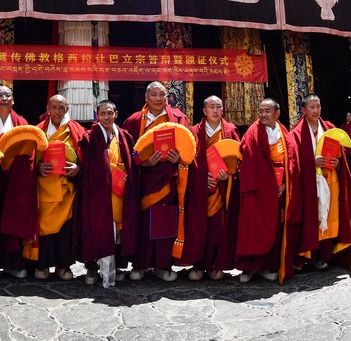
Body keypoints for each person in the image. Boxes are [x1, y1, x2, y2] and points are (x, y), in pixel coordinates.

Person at [122, 81, 189, 282]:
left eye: (162, 95)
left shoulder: (178, 119)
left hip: (168, 179)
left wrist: (179, 159)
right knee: (141, 222)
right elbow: (127, 153)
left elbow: (189, 149)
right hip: (144, 181)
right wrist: (142, 163)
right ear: (146, 97)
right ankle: (140, 264)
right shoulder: (134, 121)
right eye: (154, 95)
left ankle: (162, 264)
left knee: (165, 222)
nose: (158, 99)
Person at [235, 98, 300, 284]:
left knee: (274, 228)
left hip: (278, 189)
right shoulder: (252, 133)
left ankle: (266, 267)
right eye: (261, 110)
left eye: (267, 111)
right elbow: (245, 158)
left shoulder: (284, 133)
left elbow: (292, 162)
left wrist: (286, 184)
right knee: (252, 228)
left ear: (277, 114)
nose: (263, 114)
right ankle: (248, 269)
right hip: (258, 189)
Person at [288, 95, 351, 272]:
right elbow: (293, 163)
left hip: (330, 180)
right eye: (312, 107)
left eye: (318, 106)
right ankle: (307, 255)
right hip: (309, 184)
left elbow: (341, 158)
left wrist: (338, 164)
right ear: (303, 110)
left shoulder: (330, 129)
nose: (316, 111)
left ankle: (323, 255)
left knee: (327, 217)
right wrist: (311, 161)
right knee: (311, 218)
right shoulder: (296, 134)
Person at [77, 100, 135, 286]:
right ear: (97, 116)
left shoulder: (125, 136)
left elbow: (131, 161)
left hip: (119, 191)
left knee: (117, 230)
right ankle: (93, 267)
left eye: (110, 113)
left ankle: (115, 267)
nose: (106, 117)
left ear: (116, 114)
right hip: (98, 192)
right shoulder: (89, 137)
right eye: (102, 114)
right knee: (97, 229)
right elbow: (85, 164)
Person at [186, 95, 241, 280]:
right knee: (198, 227)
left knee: (218, 228)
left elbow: (238, 160)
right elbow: (187, 162)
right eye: (212, 107)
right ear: (204, 111)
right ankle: (198, 264)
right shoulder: (194, 132)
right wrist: (201, 178)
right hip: (200, 191)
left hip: (221, 189)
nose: (216, 110)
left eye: (219, 107)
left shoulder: (230, 130)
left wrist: (230, 175)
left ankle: (217, 265)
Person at [0, 85, 32, 279]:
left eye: (7, 95)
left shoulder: (21, 123)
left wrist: (13, 164)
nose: (4, 98)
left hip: (14, 181)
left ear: (13, 101)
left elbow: (29, 153)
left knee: (13, 219)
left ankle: (13, 263)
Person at [33, 94, 84, 280]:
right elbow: (30, 159)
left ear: (67, 109)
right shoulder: (38, 131)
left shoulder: (76, 130)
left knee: (65, 229)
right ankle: (43, 265)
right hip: (44, 188)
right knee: (44, 228)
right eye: (53, 107)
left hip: (65, 189)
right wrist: (38, 167)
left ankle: (64, 267)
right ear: (48, 108)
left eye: (61, 108)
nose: (57, 111)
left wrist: (78, 168)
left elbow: (84, 156)